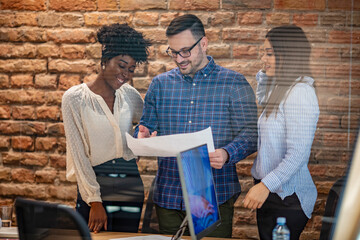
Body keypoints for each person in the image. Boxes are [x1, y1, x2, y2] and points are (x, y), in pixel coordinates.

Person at [134, 14, 258, 238]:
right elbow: (146, 127)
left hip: (214, 196)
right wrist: (141, 137)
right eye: (173, 52)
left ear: (203, 43)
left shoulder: (234, 83)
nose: (179, 59)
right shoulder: (159, 85)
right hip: (169, 195)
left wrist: (227, 153)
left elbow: (251, 134)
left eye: (185, 51)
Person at [62, 23, 151, 233]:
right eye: (121, 65)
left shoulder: (130, 95)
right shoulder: (75, 99)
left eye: (131, 69)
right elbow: (79, 154)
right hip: (96, 182)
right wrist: (95, 201)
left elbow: (149, 122)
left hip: (131, 183)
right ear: (105, 60)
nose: (126, 74)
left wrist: (138, 140)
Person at [243, 25, 319, 240]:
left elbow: (298, 154)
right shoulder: (282, 88)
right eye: (263, 53)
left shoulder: (300, 92)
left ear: (289, 54)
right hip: (270, 192)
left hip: (286, 198)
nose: (263, 59)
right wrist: (268, 71)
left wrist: (265, 185)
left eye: (270, 53)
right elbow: (262, 99)